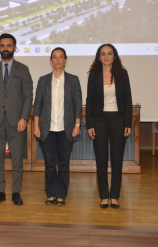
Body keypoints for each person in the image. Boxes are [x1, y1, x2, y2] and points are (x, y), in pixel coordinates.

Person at [0, 33, 33, 206]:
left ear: (14, 48)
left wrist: (24, 118)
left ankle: (16, 192)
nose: (6, 49)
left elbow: (28, 96)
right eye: (2, 46)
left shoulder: (23, 69)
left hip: (16, 122)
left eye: (9, 45)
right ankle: (0, 192)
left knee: (17, 160)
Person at [33, 47, 82, 206]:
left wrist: (77, 124)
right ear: (51, 60)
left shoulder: (73, 80)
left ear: (65, 60)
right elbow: (38, 104)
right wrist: (36, 125)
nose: (58, 60)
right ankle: (51, 193)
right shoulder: (43, 80)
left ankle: (61, 194)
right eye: (55, 57)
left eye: (61, 57)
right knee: (49, 163)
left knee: (63, 163)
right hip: (46, 129)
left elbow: (77, 104)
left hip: (66, 129)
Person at [86, 44, 132, 209]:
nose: (106, 57)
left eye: (109, 54)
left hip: (118, 120)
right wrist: (89, 124)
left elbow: (128, 100)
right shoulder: (93, 75)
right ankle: (104, 196)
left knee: (117, 159)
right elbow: (89, 101)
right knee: (101, 159)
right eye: (103, 54)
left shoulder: (123, 74)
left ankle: (115, 196)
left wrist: (128, 123)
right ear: (99, 57)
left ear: (114, 56)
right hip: (99, 120)